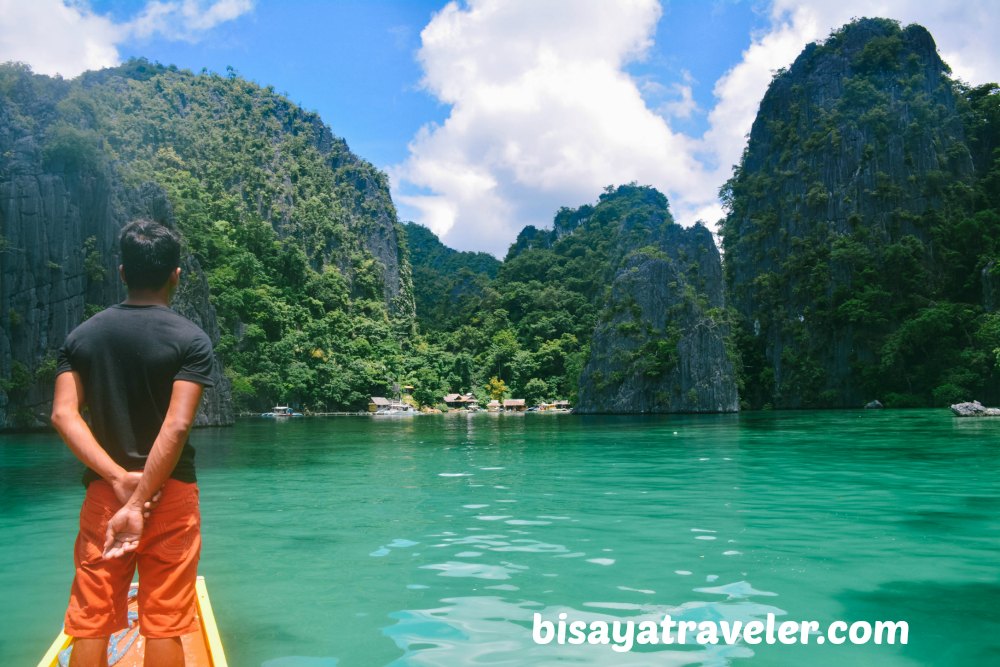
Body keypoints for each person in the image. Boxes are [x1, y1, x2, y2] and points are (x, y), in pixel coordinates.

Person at [51, 219, 215, 667]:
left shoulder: (80, 337)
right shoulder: (192, 341)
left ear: (122, 272)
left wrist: (120, 480)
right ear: (175, 275)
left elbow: (64, 415)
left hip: (107, 496)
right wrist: (143, 494)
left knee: (92, 618)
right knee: (164, 622)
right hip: (172, 493)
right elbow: (176, 427)